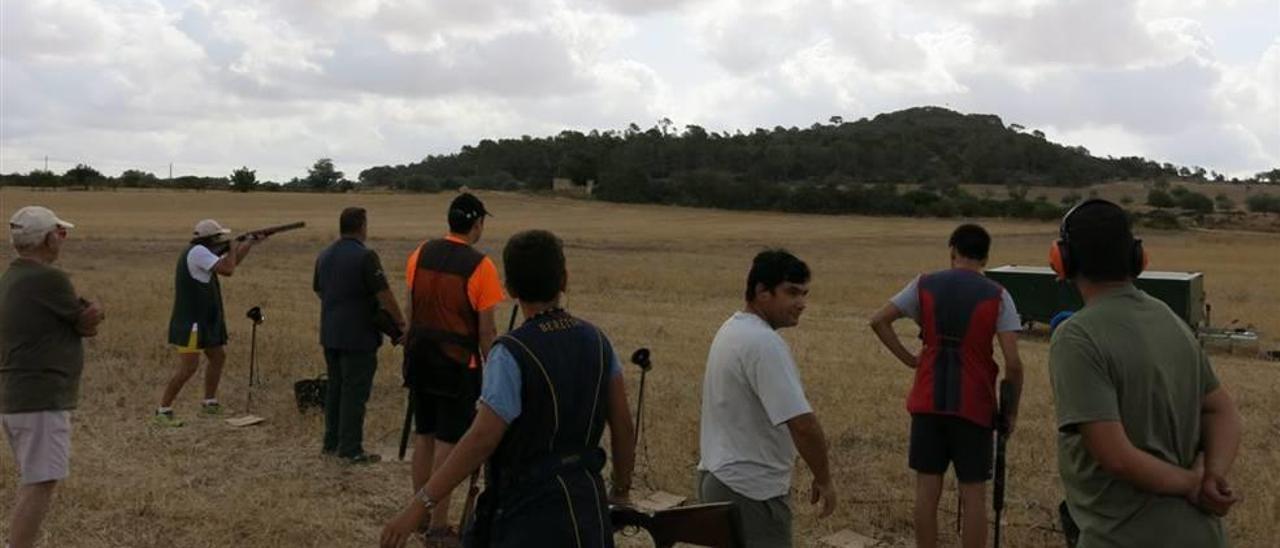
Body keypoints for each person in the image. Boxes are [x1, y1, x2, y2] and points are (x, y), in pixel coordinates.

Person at [381, 229, 635, 548]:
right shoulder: (599, 342)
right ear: (564, 280)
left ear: (510, 288)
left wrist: (419, 505)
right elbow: (623, 426)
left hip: (523, 514)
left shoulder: (511, 352)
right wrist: (621, 490)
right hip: (586, 509)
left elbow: (481, 439)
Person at [1047, 199, 1241, 547]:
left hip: (1122, 537)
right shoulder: (1168, 317)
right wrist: (1213, 475)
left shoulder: (1076, 336)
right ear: (1137, 257)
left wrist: (1193, 485)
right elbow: (1222, 409)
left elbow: (1117, 458)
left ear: (1062, 259)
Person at [869, 223, 1024, 548]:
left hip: (927, 401)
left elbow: (878, 320)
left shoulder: (924, 284)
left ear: (952, 251)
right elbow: (1012, 363)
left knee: (926, 493)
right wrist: (1010, 413)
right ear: (985, 258)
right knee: (973, 498)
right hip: (975, 406)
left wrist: (911, 359)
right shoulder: (998, 294)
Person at [696, 249, 836, 548]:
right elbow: (802, 424)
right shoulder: (764, 343)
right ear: (761, 291)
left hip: (720, 479)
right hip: (751, 491)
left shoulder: (732, 329)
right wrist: (824, 478)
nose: (802, 304)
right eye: (791, 293)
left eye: (804, 293)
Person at [403, 192, 505, 539]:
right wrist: (494, 369)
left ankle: (418, 515)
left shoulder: (420, 253)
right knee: (448, 442)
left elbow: (411, 308)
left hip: (419, 357)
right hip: (457, 365)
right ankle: (437, 524)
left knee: (424, 435)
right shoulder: (481, 266)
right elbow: (486, 330)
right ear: (476, 224)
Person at [2, 206, 104, 548]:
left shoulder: (12, 277)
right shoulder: (48, 278)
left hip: (19, 394)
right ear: (47, 238)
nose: (62, 240)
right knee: (41, 481)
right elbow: (85, 322)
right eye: (60, 233)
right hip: (40, 394)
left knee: (37, 478)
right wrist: (95, 313)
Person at [314, 207, 406, 464]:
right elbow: (384, 295)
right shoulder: (366, 257)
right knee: (355, 392)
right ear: (362, 226)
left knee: (335, 388)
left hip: (330, 332)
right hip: (359, 336)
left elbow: (319, 290)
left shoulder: (324, 255)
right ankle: (351, 449)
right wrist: (400, 323)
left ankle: (330, 443)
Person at [154, 219, 263, 427]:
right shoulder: (198, 253)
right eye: (219, 237)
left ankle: (209, 403)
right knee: (188, 368)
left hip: (203, 319)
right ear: (211, 239)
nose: (222, 240)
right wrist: (232, 247)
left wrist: (248, 243)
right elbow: (228, 269)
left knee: (218, 357)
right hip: (192, 321)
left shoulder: (201, 252)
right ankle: (163, 410)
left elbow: (230, 263)